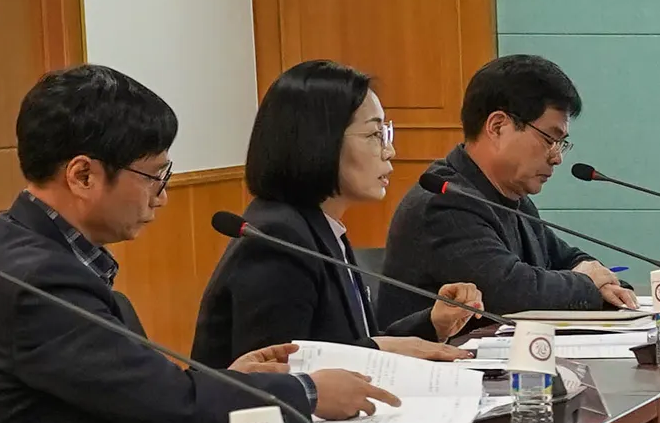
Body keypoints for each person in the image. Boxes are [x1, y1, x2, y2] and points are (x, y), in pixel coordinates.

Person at [0, 64, 396, 423]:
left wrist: (233, 380)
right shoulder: (37, 278)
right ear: (83, 175)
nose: (162, 196)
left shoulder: (39, 251)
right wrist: (306, 392)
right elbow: (164, 402)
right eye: (154, 176)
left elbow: (137, 391)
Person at [193, 60, 486, 369]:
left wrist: (432, 324)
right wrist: (379, 347)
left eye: (386, 133)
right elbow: (279, 369)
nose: (389, 151)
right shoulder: (278, 239)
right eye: (374, 134)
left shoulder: (317, 226)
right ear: (320, 140)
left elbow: (348, 342)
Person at [382, 53, 636, 313]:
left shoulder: (512, 195)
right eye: (550, 139)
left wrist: (602, 281)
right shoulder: (445, 201)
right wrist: (587, 284)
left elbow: (565, 258)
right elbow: (510, 292)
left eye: (561, 144)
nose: (557, 158)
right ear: (498, 126)